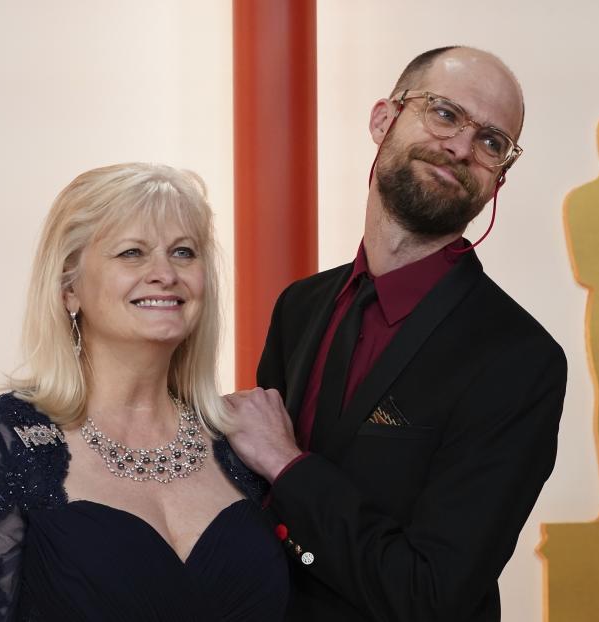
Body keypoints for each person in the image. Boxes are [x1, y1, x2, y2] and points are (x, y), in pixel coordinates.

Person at [224, 46, 568, 621]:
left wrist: (289, 464)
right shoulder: (299, 307)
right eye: (445, 113)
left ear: (498, 177)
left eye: (491, 142)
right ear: (383, 119)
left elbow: (431, 594)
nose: (461, 145)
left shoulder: (520, 359)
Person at [0, 163, 288, 621]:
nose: (164, 273)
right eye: (132, 253)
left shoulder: (241, 442)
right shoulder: (1, 444)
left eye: (184, 252)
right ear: (70, 288)